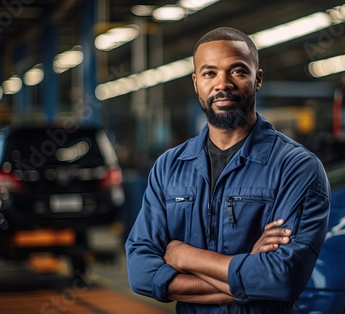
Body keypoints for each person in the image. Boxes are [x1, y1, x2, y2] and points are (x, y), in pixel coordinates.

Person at [125, 26, 330, 313]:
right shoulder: (169, 167)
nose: (223, 84)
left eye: (237, 71)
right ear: (196, 83)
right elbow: (140, 273)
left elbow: (282, 279)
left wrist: (184, 256)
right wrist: (247, 272)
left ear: (257, 79)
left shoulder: (296, 166)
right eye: (210, 73)